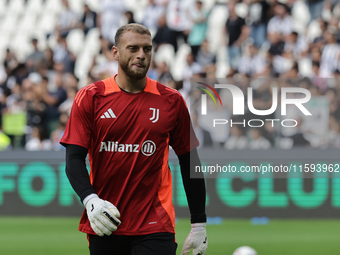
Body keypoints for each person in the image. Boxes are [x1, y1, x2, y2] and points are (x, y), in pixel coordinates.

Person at [60, 23, 207, 255]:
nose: (141, 55)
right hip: (106, 218)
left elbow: (190, 161)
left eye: (147, 49)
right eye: (133, 48)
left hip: (155, 222)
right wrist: (90, 200)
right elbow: (74, 158)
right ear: (115, 52)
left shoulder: (172, 101)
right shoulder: (90, 97)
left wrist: (199, 224)